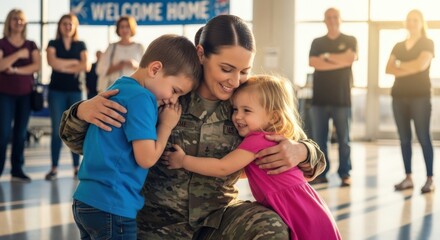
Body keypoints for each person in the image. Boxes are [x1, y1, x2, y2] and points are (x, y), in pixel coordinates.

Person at [60, 15, 326, 239]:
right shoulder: (164, 95)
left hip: (217, 221)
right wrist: (81, 111)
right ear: (201, 54)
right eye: (226, 68)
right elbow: (80, 142)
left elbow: (313, 159)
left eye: (244, 71)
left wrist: (302, 151)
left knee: (269, 229)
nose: (235, 80)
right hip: (155, 224)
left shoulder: (248, 104)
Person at [165, 75, 341, 240]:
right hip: (305, 206)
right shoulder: (271, 138)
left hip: (297, 209)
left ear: (273, 116)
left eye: (246, 110)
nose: (237, 116)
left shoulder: (257, 139)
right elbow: (249, 172)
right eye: (235, 109)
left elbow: (223, 167)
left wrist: (183, 161)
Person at [72, 34, 201, 239]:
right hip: (113, 205)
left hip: (86, 200)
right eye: (175, 91)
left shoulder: (119, 87)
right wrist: (166, 125)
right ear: (155, 69)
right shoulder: (143, 98)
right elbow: (146, 158)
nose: (172, 99)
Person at [385, 9, 435, 193]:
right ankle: (408, 178)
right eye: (409, 20)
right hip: (398, 97)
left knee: (423, 137)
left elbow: (421, 65)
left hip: (420, 97)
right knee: (404, 139)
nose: (411, 23)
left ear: (421, 23)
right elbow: (388, 69)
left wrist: (400, 66)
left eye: (415, 20)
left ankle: (430, 179)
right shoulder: (398, 45)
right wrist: (410, 67)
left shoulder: (427, 43)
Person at [308, 7, 357, 187]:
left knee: (344, 140)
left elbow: (350, 59)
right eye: (328, 17)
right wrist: (340, 61)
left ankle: (345, 173)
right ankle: (322, 173)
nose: (332, 20)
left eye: (335, 16)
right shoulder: (317, 42)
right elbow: (314, 63)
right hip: (319, 100)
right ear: (324, 20)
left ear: (340, 19)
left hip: (342, 100)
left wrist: (326, 58)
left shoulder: (350, 40)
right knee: (320, 141)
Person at [45, 13, 88, 180]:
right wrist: (73, 64)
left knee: (76, 129)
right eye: (64, 23)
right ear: (59, 26)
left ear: (75, 26)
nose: (68, 26)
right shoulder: (52, 43)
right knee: (57, 130)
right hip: (57, 91)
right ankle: (54, 167)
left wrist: (62, 64)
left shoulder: (81, 44)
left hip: (76, 90)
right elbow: (52, 63)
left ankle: (77, 168)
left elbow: (86, 65)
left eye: (71, 24)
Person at [0, 9, 41, 182]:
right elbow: (1, 66)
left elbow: (36, 66)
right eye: (15, 19)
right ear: (9, 21)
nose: (18, 22)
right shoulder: (2, 43)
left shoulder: (31, 44)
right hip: (4, 95)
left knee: (21, 133)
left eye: (22, 20)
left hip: (25, 95)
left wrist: (15, 69)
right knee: (2, 133)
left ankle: (17, 169)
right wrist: (17, 54)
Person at [96, 16, 144, 93]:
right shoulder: (111, 47)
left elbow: (146, 69)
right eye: (122, 27)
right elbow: (100, 70)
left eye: (127, 26)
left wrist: (134, 65)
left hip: (134, 89)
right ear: (118, 29)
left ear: (132, 28)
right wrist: (118, 66)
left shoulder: (139, 47)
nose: (124, 29)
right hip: (114, 90)